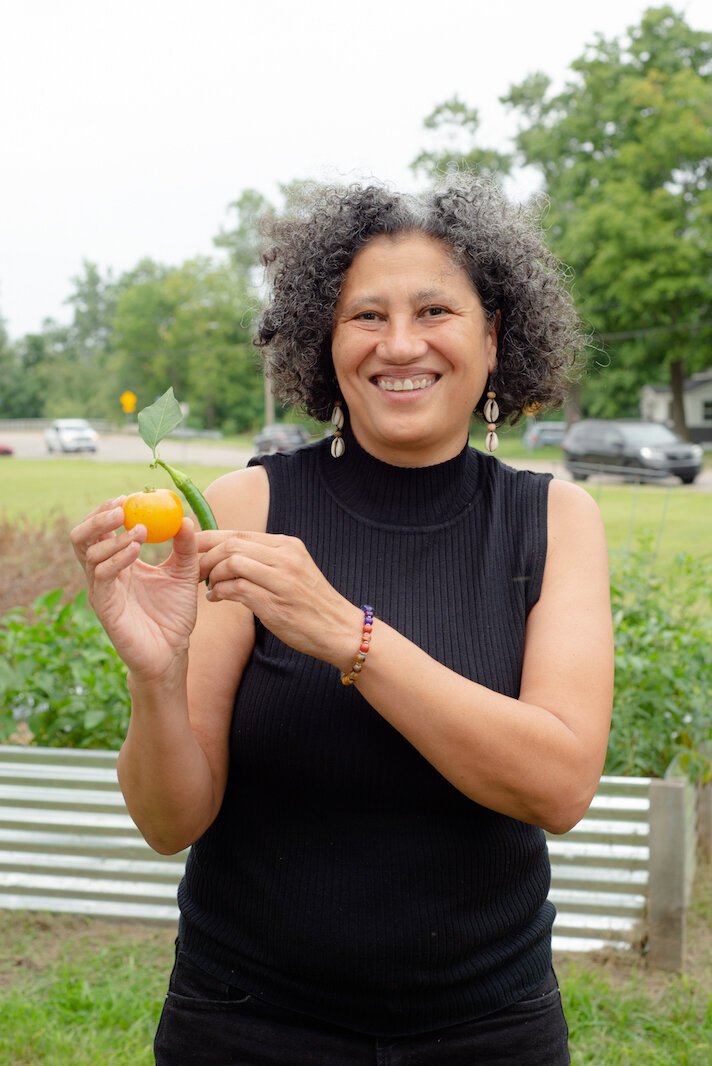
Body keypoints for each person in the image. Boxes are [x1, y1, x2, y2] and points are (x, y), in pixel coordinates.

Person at [71, 175, 613, 1065]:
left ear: (494, 335)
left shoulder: (554, 520)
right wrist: (156, 677)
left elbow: (558, 787)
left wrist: (349, 636)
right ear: (327, 345)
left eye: (435, 309)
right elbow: (171, 823)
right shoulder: (244, 507)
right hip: (247, 1025)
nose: (400, 344)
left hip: (487, 1032)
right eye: (366, 316)